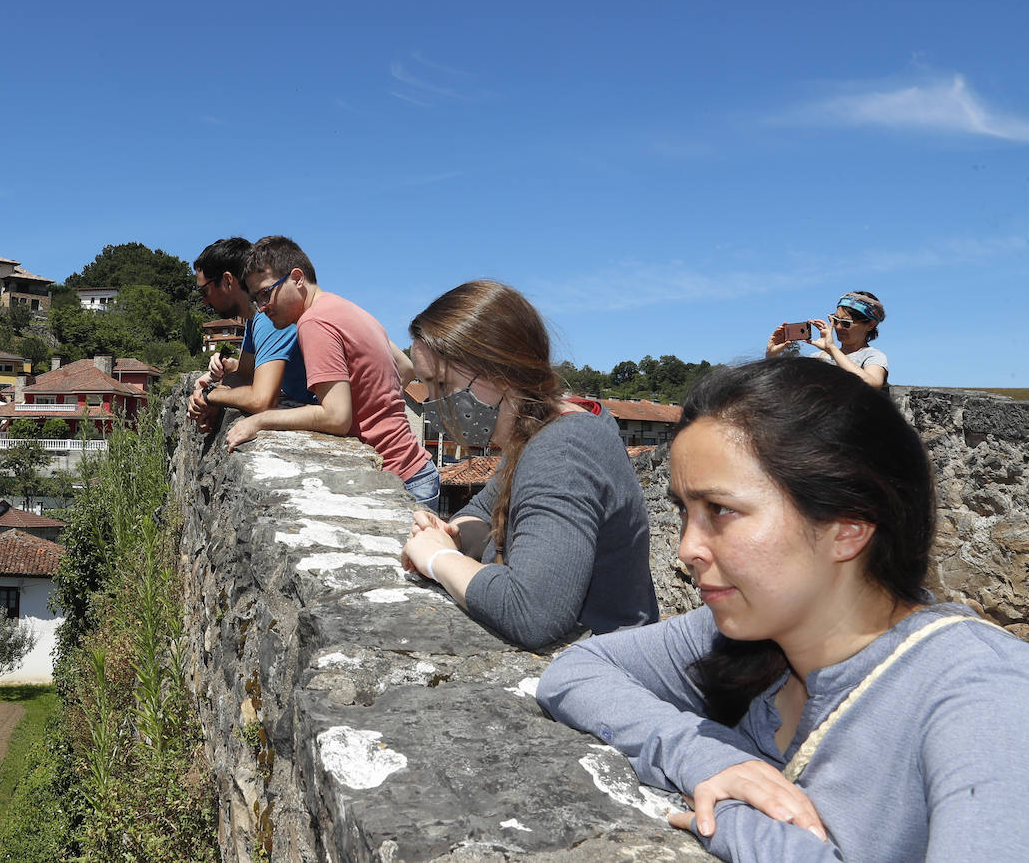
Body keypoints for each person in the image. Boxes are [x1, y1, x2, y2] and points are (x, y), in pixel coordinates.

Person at [536, 357, 1029, 861]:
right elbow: (576, 671)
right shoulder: (745, 635)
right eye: (686, 511)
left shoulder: (987, 702)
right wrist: (703, 756)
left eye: (720, 510)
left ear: (848, 526)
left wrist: (746, 829)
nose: (687, 548)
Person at [398, 281, 657, 650]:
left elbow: (532, 612)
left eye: (441, 384)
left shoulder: (563, 451)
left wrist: (437, 558)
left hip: (607, 661)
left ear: (500, 371)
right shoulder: (541, 426)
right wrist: (452, 533)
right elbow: (484, 507)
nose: (435, 402)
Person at [224, 236, 439, 510]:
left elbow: (336, 417)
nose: (262, 308)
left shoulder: (313, 322)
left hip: (400, 479)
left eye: (266, 293)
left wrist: (260, 421)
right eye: (256, 299)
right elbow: (406, 368)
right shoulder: (347, 308)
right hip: (418, 470)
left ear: (297, 278)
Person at [187, 237, 315, 433]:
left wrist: (210, 396)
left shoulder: (269, 318)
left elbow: (262, 401)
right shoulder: (254, 320)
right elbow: (245, 375)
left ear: (228, 281)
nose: (204, 301)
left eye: (205, 291)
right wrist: (213, 388)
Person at [766, 290, 888, 388]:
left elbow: (872, 384)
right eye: (835, 320)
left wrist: (832, 349)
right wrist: (771, 356)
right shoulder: (818, 357)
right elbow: (782, 384)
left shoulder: (872, 356)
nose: (838, 327)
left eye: (846, 323)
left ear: (870, 325)